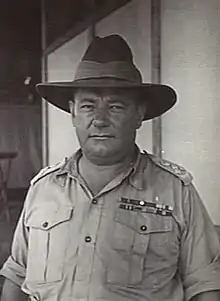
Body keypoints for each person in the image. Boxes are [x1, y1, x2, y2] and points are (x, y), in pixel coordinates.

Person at [1, 34, 220, 301]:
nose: (100, 120)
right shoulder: (43, 188)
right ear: (73, 113)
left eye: (115, 106)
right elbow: (17, 275)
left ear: (139, 114)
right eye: (88, 106)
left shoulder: (176, 191)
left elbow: (205, 285)